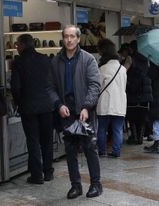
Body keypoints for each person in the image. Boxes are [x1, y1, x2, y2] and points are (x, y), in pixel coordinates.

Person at [47, 25, 102, 199]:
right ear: (63, 39)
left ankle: (96, 184)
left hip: (85, 111)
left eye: (72, 36)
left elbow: (95, 85)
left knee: (89, 148)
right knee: (70, 150)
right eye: (66, 36)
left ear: (78, 39)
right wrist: (58, 104)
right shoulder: (56, 61)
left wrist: (87, 106)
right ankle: (75, 185)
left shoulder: (88, 59)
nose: (69, 40)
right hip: (66, 113)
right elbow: (49, 87)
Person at [11, 34, 55, 184]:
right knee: (47, 140)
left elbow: (16, 87)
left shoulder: (18, 62)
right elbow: (52, 82)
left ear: (22, 45)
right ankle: (48, 171)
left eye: (17, 45)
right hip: (47, 106)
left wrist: (19, 102)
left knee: (33, 141)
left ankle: (37, 175)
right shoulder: (45, 59)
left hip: (28, 107)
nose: (16, 48)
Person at [96, 39, 127, 158]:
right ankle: (116, 151)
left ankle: (102, 151)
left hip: (105, 102)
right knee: (117, 129)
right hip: (119, 102)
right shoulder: (123, 70)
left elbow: (98, 87)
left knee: (102, 128)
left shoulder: (102, 69)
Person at [125, 40, 153, 145]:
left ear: (131, 48)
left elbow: (124, 71)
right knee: (142, 116)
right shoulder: (147, 59)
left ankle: (135, 137)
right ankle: (141, 137)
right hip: (145, 92)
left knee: (132, 115)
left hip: (133, 90)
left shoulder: (130, 58)